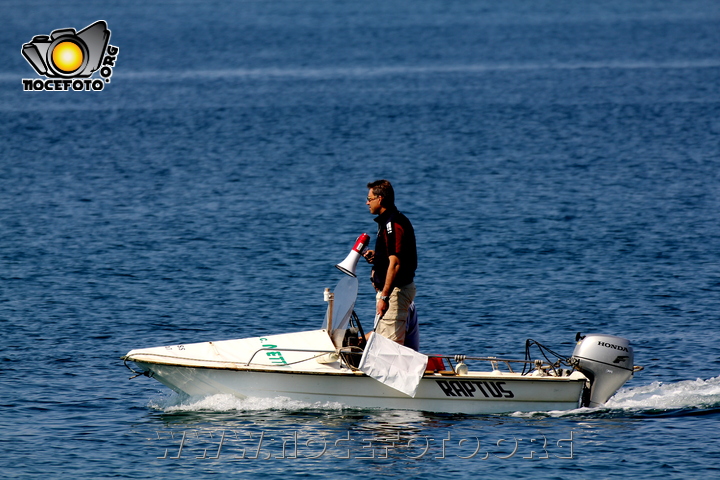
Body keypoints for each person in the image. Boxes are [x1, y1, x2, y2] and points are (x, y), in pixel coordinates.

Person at [362, 179, 417, 347]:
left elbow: (396, 263)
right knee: (381, 336)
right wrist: (378, 256)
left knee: (388, 346)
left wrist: (385, 297)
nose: (367, 203)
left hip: (395, 293)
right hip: (392, 294)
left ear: (380, 199)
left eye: (369, 199)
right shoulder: (388, 222)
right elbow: (394, 255)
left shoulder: (392, 223)